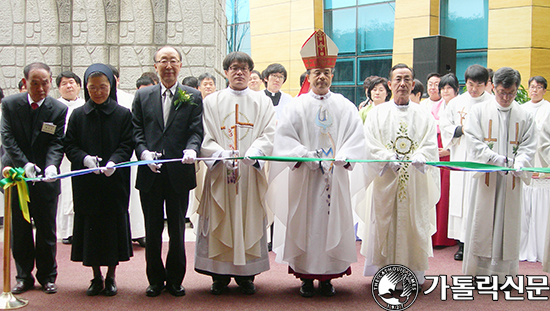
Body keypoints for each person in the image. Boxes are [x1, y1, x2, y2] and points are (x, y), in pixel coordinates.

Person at [269, 29, 365, 298]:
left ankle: (327, 278)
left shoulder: (345, 106)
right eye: (316, 72)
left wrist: (345, 155)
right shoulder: (295, 107)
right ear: (308, 76)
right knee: (306, 223)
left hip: (335, 177)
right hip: (306, 179)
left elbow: (357, 137)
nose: (321, 76)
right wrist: (304, 155)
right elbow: (284, 138)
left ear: (332, 75)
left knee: (333, 222)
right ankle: (305, 277)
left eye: (326, 72)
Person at [195, 51, 275, 295]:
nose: (239, 72)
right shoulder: (212, 101)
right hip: (221, 173)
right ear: (226, 72)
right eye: (234, 68)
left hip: (250, 172)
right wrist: (219, 154)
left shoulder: (263, 102)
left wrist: (256, 151)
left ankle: (246, 275)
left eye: (244, 68)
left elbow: (270, 133)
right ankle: (218, 276)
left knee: (248, 217)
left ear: (251, 73)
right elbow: (205, 135)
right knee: (221, 218)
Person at [360, 63, 439, 288]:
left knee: (413, 222)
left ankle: (413, 272)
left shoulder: (424, 115)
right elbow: (369, 142)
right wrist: (386, 157)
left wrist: (422, 155)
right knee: (384, 220)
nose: (402, 84)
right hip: (385, 179)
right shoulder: (377, 114)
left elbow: (430, 144)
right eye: (398, 79)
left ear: (413, 84)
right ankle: (383, 272)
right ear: (389, 84)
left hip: (414, 181)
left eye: (407, 80)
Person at [132, 46, 203, 297]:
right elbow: (136, 130)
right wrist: (143, 153)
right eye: (163, 61)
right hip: (150, 173)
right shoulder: (143, 96)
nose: (169, 65)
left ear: (180, 65)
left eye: (173, 61)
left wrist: (192, 149)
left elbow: (196, 130)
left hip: (179, 173)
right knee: (152, 230)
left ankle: (175, 279)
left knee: (177, 229)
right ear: (156, 66)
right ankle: (154, 279)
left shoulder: (192, 95)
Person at [463, 67, 536, 288]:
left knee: (509, 225)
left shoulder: (525, 114)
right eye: (502, 92)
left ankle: (503, 276)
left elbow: (528, 145)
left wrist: (521, 161)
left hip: (512, 180)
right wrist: (494, 158)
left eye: (511, 93)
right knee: (482, 222)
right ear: (493, 87)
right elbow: (473, 141)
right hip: (487, 178)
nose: (505, 98)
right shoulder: (479, 111)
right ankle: (478, 272)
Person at [64, 63, 134, 296]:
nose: (98, 92)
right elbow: (70, 144)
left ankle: (112, 276)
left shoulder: (123, 114)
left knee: (112, 228)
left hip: (114, 182)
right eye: (92, 88)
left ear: (111, 86)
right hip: (87, 183)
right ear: (86, 88)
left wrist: (114, 161)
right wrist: (84, 159)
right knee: (90, 230)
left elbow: (127, 144)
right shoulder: (77, 115)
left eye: (103, 87)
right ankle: (95, 276)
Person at [1, 62, 67, 294]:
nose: (40, 88)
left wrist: (50, 167)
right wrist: (24, 165)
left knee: (47, 229)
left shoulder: (58, 109)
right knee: (20, 228)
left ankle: (48, 276)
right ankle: (23, 276)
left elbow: (57, 142)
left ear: (51, 82)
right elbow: (8, 139)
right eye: (34, 83)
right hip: (17, 177)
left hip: (45, 180)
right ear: (25, 83)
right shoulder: (9, 105)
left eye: (45, 83)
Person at [440, 64, 493, 261]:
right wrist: (459, 130)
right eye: (471, 84)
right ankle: (462, 244)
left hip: (481, 159)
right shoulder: (456, 103)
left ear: (486, 84)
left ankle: (479, 243)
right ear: (465, 83)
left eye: (479, 85)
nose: (474, 89)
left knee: (479, 199)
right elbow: (444, 124)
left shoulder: (491, 103)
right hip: (461, 155)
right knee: (460, 200)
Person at [107, 64, 147, 248]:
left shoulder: (129, 99)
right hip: (105, 158)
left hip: (128, 153)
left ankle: (138, 232)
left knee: (134, 195)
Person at [519, 75, 550, 262]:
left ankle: (540, 248)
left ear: (544, 90)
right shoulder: (521, 109)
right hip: (526, 162)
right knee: (524, 209)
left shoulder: (549, 109)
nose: (534, 90)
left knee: (541, 208)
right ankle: (522, 247)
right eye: (532, 87)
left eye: (539, 87)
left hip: (543, 164)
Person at [56, 71, 86, 245]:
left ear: (79, 86)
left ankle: (79, 231)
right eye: (64, 83)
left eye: (72, 83)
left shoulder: (85, 106)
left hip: (80, 156)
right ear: (59, 88)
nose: (68, 86)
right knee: (65, 193)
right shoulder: (54, 106)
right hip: (61, 159)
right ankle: (65, 231)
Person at [430, 73, 459, 248]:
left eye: (449, 88)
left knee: (448, 194)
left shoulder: (460, 106)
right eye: (443, 88)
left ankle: (446, 237)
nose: (445, 91)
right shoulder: (436, 106)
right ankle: (435, 235)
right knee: (436, 191)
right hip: (436, 149)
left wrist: (448, 150)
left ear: (456, 90)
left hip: (451, 152)